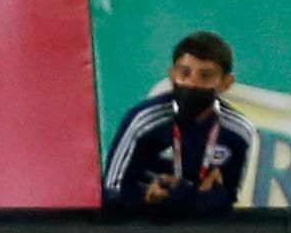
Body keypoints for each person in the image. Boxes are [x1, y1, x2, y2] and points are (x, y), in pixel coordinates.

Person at [102, 32, 253, 218]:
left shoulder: (238, 130)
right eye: (185, 73)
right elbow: (111, 191)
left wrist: (208, 195)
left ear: (226, 83)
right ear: (172, 74)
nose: (192, 82)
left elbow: (230, 197)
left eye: (205, 76)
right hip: (143, 229)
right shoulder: (144, 121)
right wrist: (148, 196)